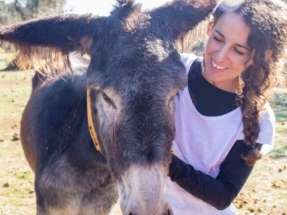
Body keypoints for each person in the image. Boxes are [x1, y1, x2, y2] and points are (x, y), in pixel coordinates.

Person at [166, 0, 287, 214]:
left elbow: (224, 195)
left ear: (261, 56)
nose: (220, 56)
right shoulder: (173, 69)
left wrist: (162, 161)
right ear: (210, 28)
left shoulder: (258, 118)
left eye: (238, 50)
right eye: (218, 38)